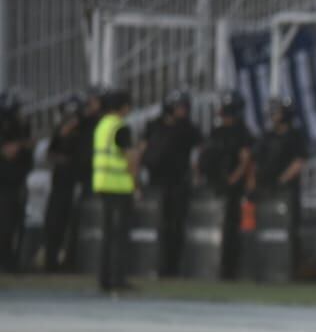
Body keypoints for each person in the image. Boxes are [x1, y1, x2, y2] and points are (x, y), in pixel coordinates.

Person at [142, 90, 202, 278]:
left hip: (178, 183)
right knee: (154, 225)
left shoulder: (189, 128)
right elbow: (142, 149)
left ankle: (171, 267)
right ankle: (151, 264)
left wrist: (196, 173)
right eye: (180, 107)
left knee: (175, 225)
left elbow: (199, 153)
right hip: (156, 182)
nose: (183, 111)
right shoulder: (154, 126)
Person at [199, 92, 253, 280]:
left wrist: (234, 179)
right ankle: (212, 267)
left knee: (231, 228)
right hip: (216, 185)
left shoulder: (242, 132)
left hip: (232, 188)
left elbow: (245, 159)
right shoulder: (217, 132)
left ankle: (229, 270)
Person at [91, 90, 140, 294]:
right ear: (123, 107)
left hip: (102, 184)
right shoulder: (120, 127)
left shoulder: (102, 126)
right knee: (119, 236)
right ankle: (117, 279)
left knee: (108, 235)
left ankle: (104, 279)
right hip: (119, 186)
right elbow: (130, 158)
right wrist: (136, 184)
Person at [254, 99, 308, 276]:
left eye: (277, 112)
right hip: (266, 188)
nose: (274, 116)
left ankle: (289, 269)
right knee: (264, 229)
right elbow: (256, 159)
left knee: (286, 230)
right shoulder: (268, 135)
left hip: (285, 191)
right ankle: (263, 267)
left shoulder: (295, 135)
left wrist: (282, 180)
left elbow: (299, 161)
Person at [41, 94, 91, 272]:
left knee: (75, 223)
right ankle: (51, 261)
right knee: (55, 222)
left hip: (77, 182)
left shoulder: (86, 131)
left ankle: (70, 260)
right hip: (60, 184)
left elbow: (84, 157)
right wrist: (63, 136)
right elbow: (50, 154)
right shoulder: (61, 131)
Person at [0, 92, 32, 272]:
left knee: (15, 223)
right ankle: (6, 260)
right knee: (4, 224)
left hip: (16, 182)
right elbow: (9, 151)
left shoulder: (19, 128)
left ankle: (12, 260)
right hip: (4, 184)